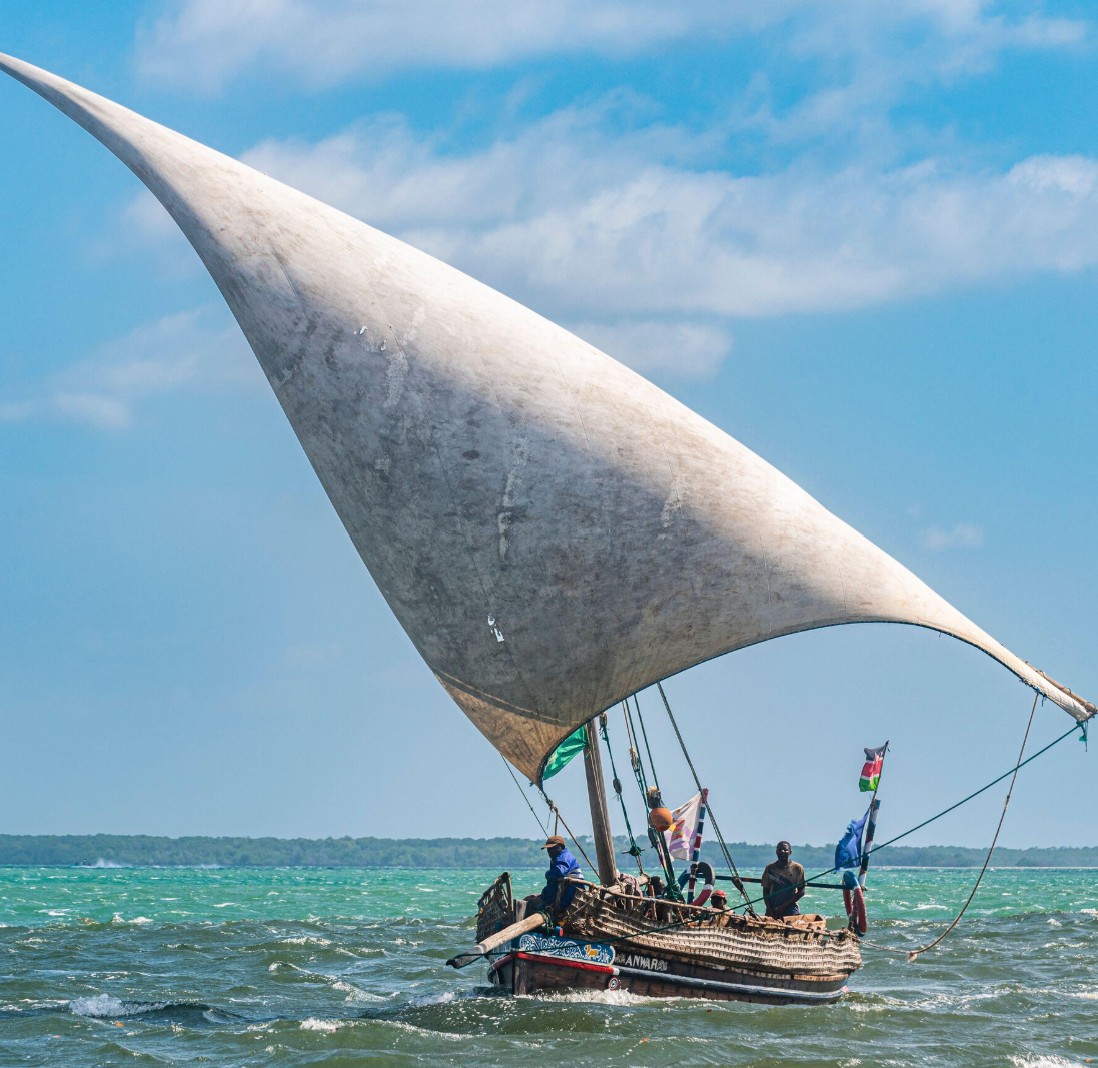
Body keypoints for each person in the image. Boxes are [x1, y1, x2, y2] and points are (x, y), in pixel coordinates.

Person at [537, 834, 583, 911]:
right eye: (548, 849)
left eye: (552, 848)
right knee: (547, 891)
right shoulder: (558, 857)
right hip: (568, 886)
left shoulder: (564, 857)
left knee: (549, 891)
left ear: (560, 847)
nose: (549, 851)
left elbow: (559, 872)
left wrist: (547, 874)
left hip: (573, 887)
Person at [761, 841, 806, 919]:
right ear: (776, 852)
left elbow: (801, 891)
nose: (782, 852)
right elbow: (765, 891)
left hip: (791, 909)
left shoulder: (797, 868)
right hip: (773, 909)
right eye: (779, 850)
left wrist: (783, 906)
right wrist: (770, 909)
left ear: (790, 852)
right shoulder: (769, 868)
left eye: (785, 850)